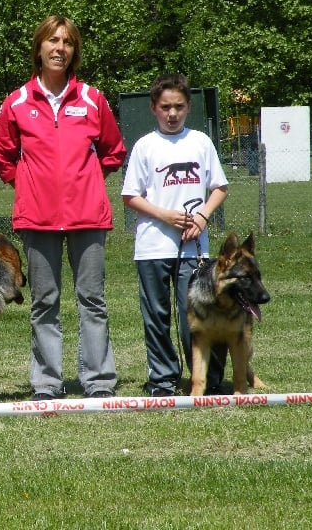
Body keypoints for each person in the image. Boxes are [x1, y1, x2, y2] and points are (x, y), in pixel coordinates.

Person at [0, 15, 126, 400]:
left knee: (93, 300)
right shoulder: (17, 102)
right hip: (38, 219)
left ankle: (98, 381)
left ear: (74, 52)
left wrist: (86, 180)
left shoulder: (92, 99)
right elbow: (1, 154)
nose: (59, 48)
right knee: (44, 302)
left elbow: (113, 151)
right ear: (39, 48)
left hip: (88, 217)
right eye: (52, 40)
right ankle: (47, 384)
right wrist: (28, 185)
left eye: (67, 42)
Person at [121, 73, 229, 397]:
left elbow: (220, 187)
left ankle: (206, 378)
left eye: (179, 107)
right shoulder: (145, 146)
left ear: (188, 107)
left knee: (193, 315)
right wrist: (165, 215)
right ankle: (163, 380)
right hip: (153, 246)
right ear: (154, 107)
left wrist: (202, 216)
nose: (172, 114)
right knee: (156, 316)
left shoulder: (200, 142)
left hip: (194, 248)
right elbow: (130, 196)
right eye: (165, 107)